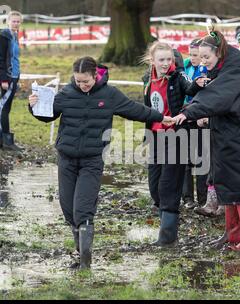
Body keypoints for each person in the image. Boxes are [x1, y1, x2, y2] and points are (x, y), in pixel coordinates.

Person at [28, 56, 172, 269]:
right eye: (78, 81)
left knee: (83, 210)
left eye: (85, 81)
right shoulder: (66, 93)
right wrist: (33, 106)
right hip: (66, 159)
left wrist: (161, 117)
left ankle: (85, 263)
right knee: (68, 209)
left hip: (92, 160)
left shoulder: (109, 94)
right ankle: (79, 252)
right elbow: (48, 115)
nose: (82, 85)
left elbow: (135, 110)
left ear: (95, 75)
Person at [173, 30, 240, 251]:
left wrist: (189, 112)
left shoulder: (233, 75)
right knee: (229, 184)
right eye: (201, 57)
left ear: (219, 54)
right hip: (231, 137)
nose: (203, 62)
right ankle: (233, 233)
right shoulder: (225, 72)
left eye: (207, 57)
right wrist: (203, 117)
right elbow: (222, 104)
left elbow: (216, 98)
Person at [141, 41, 200, 247]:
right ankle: (166, 221)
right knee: (154, 186)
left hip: (177, 136)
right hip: (156, 136)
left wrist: (199, 83)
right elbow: (147, 107)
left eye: (169, 59)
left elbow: (190, 87)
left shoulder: (179, 76)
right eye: (162, 60)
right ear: (153, 61)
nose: (166, 64)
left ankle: (168, 237)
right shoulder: (147, 79)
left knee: (168, 186)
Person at [182, 38, 209, 209]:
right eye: (191, 54)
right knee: (185, 160)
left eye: (196, 55)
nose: (193, 58)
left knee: (201, 160)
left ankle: (203, 198)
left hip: (201, 119)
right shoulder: (185, 68)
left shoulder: (207, 71)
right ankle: (187, 198)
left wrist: (202, 114)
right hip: (185, 116)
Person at [0, 10, 23, 151]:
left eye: (18, 21)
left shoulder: (15, 36)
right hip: (7, 78)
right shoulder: (4, 36)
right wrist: (3, 79)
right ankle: (7, 141)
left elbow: (15, 59)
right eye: (13, 21)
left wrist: (17, 77)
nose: (16, 23)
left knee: (6, 108)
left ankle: (4, 140)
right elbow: (1, 59)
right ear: (8, 21)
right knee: (3, 108)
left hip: (14, 76)